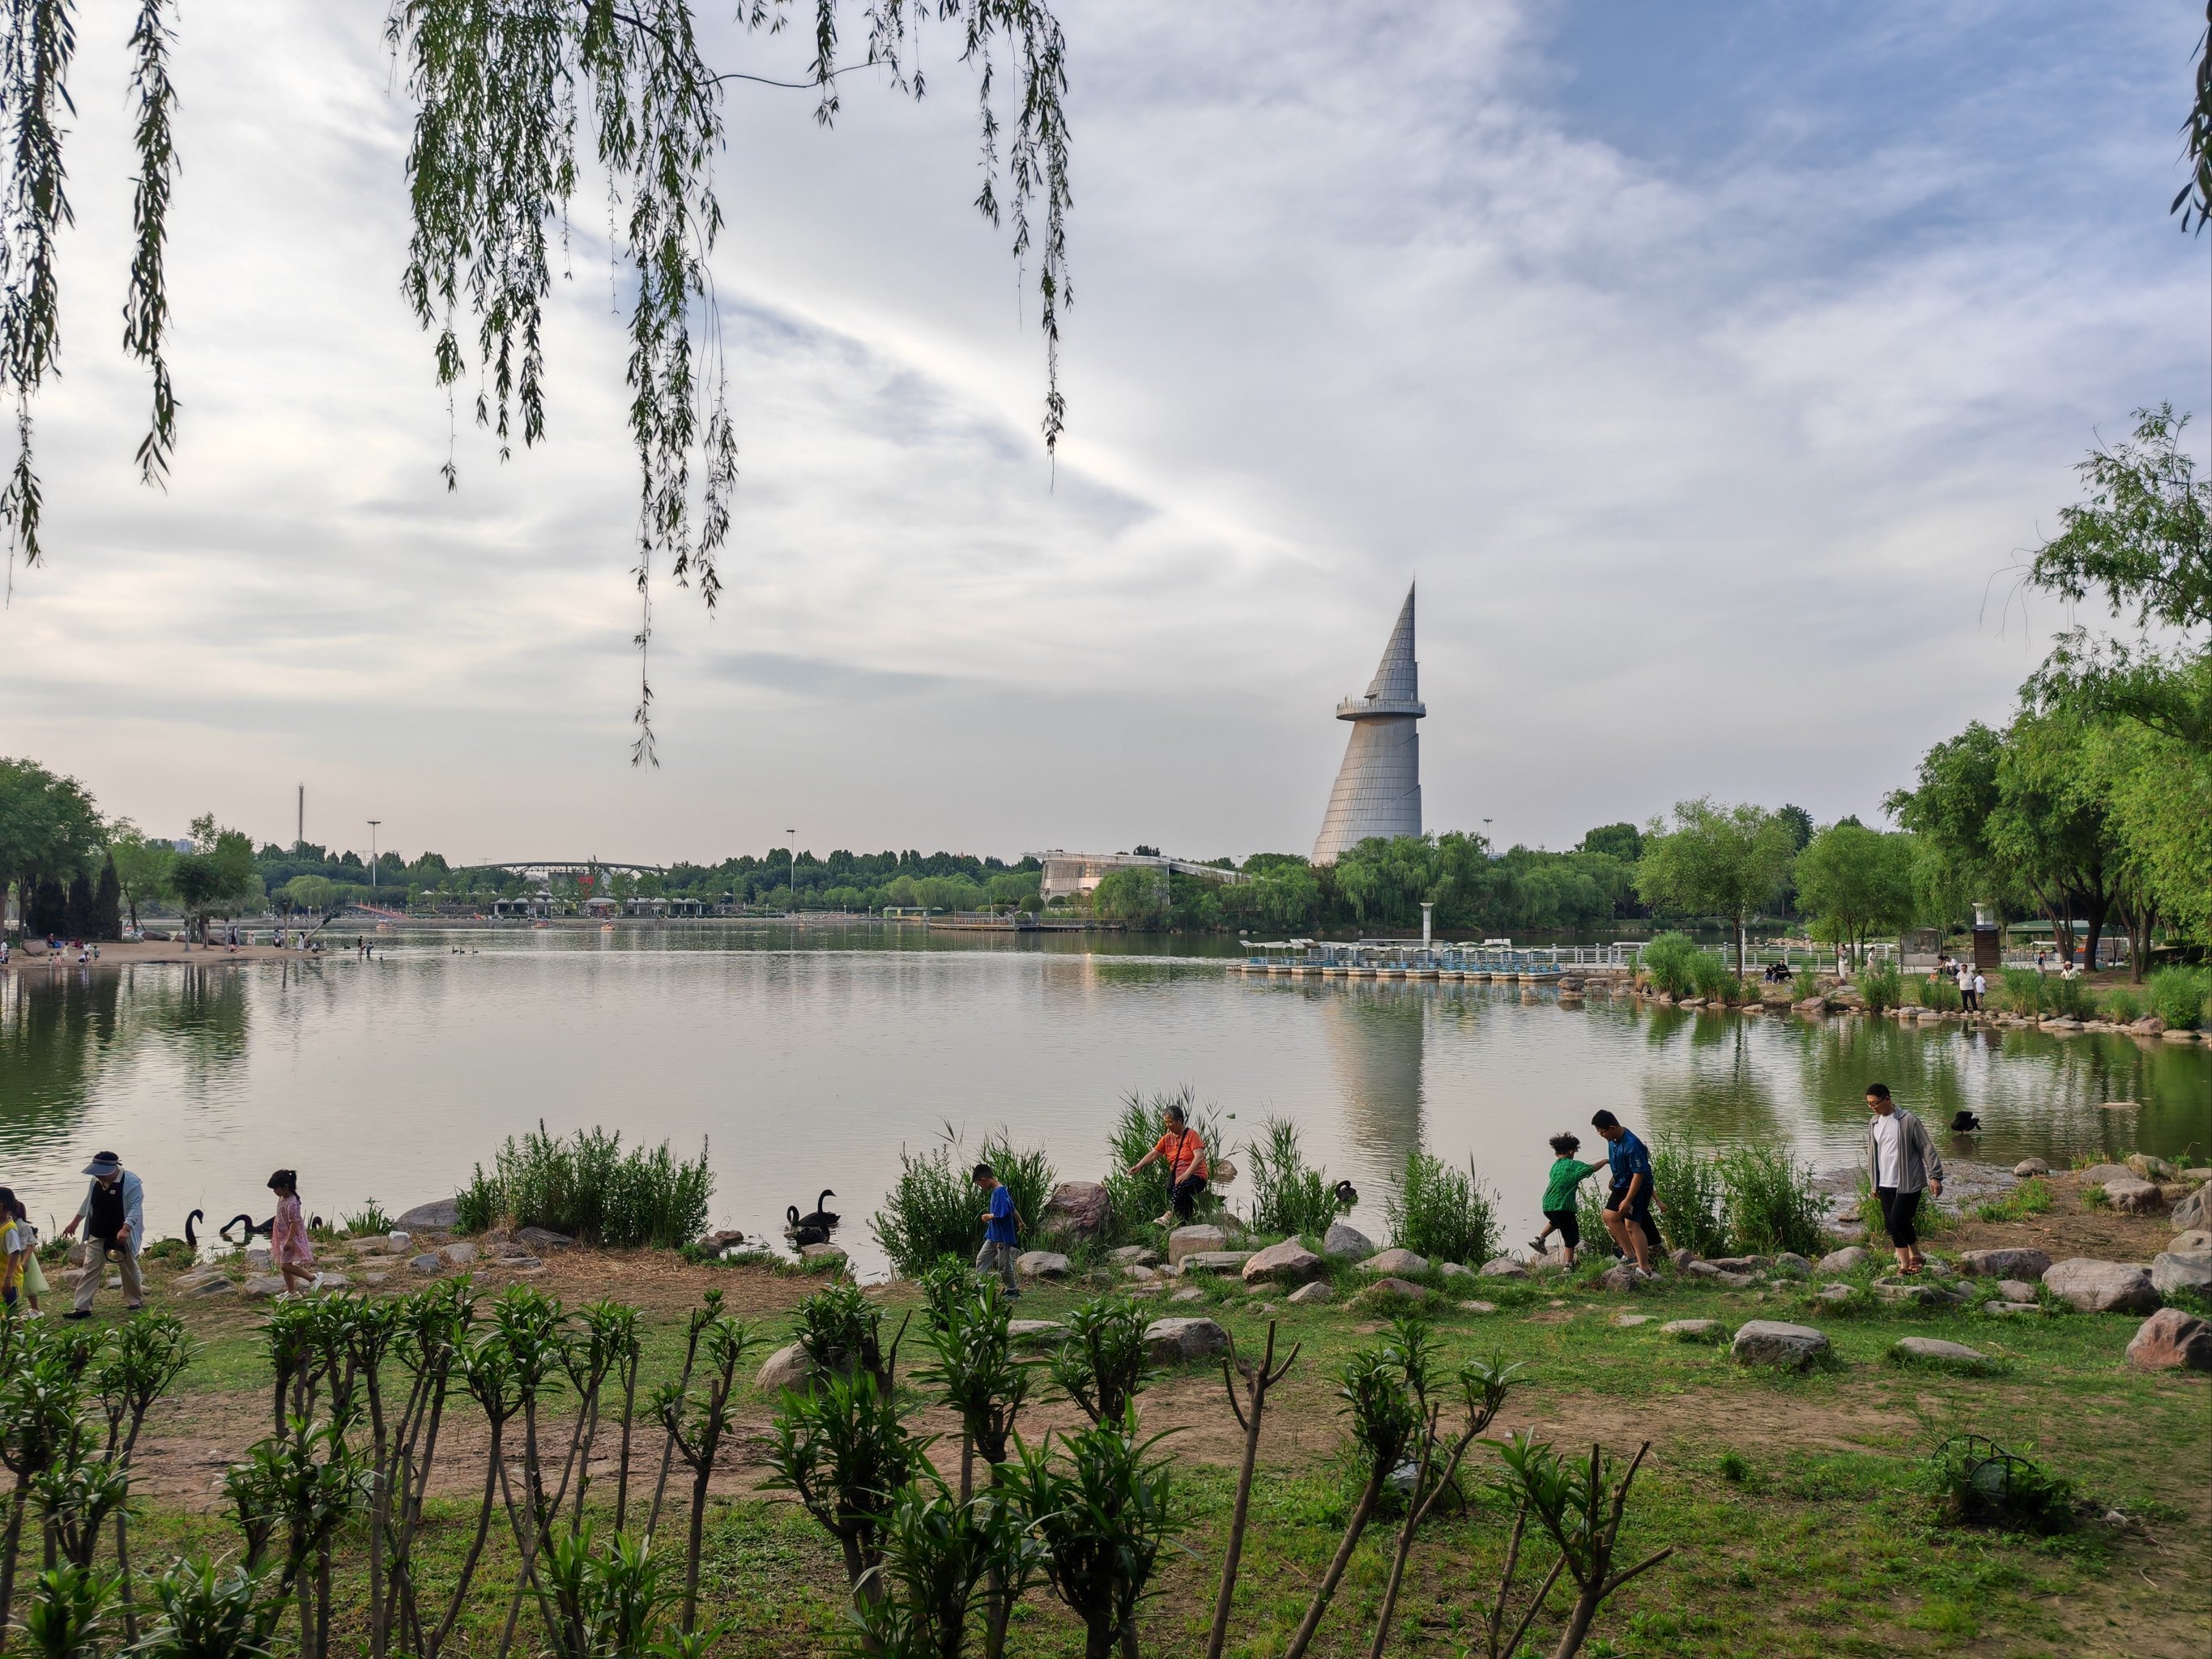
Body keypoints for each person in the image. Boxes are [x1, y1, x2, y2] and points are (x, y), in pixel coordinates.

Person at [1863, 1083, 1943, 1275]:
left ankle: (1916, 1255)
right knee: (1891, 1224)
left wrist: (1935, 1176)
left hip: (1908, 1181)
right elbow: (1873, 1155)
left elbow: (1926, 1147)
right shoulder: (1874, 1123)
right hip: (1885, 1182)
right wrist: (1874, 1182)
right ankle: (1904, 1265)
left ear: (1888, 1099)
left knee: (1899, 1219)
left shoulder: (1908, 1120)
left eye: (1875, 1103)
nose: (1873, 1107)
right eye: (1869, 1104)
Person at [60, 1151, 144, 1319]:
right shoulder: (95, 1182)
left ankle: (135, 1299)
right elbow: (88, 1201)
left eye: (100, 1173)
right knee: (90, 1267)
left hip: (122, 1231)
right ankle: (82, 1307)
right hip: (98, 1229)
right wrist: (76, 1221)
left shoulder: (132, 1183)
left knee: (128, 1265)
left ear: (113, 1169)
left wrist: (126, 1229)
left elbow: (135, 1209)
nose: (98, 1176)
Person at [1590, 1110, 1656, 1273]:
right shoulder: (1612, 1139)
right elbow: (1618, 1160)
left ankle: (1645, 1269)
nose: (1601, 1135)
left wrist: (1627, 1200)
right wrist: (1615, 1175)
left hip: (1638, 1187)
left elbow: (1639, 1174)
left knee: (1632, 1225)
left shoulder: (1632, 1144)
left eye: (1602, 1132)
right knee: (1609, 1216)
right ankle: (1630, 1255)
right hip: (1622, 1183)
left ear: (1612, 1127)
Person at [1126, 1101, 1210, 1226]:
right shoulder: (1167, 1138)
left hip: (1197, 1177)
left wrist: (1187, 1174)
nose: (1168, 1125)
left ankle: (1168, 1216)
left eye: (1170, 1122)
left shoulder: (1192, 1135)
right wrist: (1139, 1165)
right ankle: (1185, 1226)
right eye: (1166, 1122)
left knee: (1180, 1187)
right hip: (1178, 1177)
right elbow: (1154, 1153)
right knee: (1182, 1198)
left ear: (1180, 1121)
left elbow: (1199, 1157)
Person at [1530, 1133, 1604, 1265]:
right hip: (1564, 1207)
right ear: (1571, 1151)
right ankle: (1568, 1265)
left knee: (1556, 1221)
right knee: (1571, 1237)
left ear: (1556, 1153)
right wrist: (1606, 1161)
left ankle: (1539, 1239)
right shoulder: (1574, 1165)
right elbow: (1591, 1168)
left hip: (1547, 1205)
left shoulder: (1555, 1166)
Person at [267, 1170, 323, 1296]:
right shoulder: (283, 1198)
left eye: (276, 1188)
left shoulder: (292, 1203)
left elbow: (294, 1222)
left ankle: (313, 1278)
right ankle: (291, 1291)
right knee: (285, 1263)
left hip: (291, 1236)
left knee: (285, 1266)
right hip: (282, 1235)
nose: (274, 1191)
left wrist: (290, 1240)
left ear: (285, 1187)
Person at [971, 1162, 1020, 1298]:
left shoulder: (999, 1191)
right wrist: (1021, 1222)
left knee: (1004, 1265)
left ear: (984, 1180)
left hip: (1001, 1237)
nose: (981, 1187)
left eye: (979, 1185)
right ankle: (980, 1286)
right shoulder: (999, 1190)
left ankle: (1013, 1290)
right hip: (993, 1235)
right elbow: (1012, 1208)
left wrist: (989, 1216)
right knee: (982, 1258)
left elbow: (1003, 1212)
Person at [0, 1188, 45, 1316]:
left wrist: (8, 1278)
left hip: (10, 1276)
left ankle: (17, 1332)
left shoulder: (10, 1229)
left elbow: (15, 1252)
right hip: (4, 1273)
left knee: (12, 1311)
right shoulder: (4, 1226)